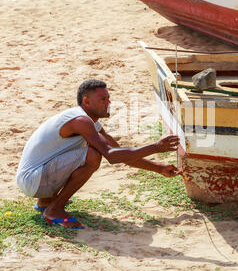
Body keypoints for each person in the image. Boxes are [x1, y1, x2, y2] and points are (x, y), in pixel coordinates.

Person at [16, 79, 180, 229]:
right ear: (86, 101)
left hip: (35, 179)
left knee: (90, 153)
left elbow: (119, 152)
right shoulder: (81, 121)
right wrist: (155, 147)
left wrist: (159, 168)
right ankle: (54, 210)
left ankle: (46, 202)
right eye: (103, 99)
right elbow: (111, 156)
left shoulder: (91, 122)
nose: (108, 103)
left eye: (108, 98)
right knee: (92, 155)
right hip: (32, 180)